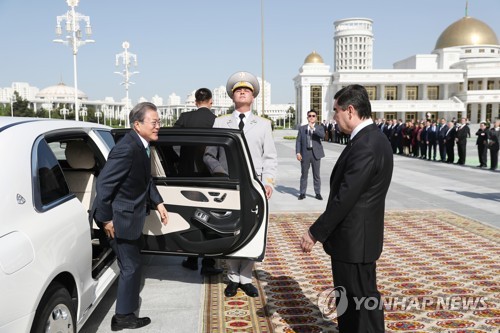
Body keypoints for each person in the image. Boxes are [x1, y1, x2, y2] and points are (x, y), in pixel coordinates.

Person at [300, 84, 393, 332]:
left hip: (355, 241)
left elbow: (345, 198)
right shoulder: (371, 138)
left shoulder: (366, 145)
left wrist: (315, 232)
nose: (334, 117)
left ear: (350, 110)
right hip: (358, 240)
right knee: (356, 305)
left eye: (336, 111)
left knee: (359, 307)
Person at [91, 102, 169, 331]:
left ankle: (124, 312)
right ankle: (122, 317)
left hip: (127, 215)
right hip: (118, 218)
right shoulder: (126, 148)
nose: (158, 127)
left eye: (159, 122)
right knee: (131, 266)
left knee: (132, 263)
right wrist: (106, 219)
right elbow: (104, 185)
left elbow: (146, 180)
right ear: (137, 124)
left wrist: (159, 202)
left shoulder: (141, 144)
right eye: (154, 122)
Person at [204, 71, 277, 298]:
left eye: (246, 89)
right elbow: (209, 155)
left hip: (254, 187)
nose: (242, 92)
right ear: (232, 96)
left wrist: (268, 183)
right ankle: (232, 277)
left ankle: (245, 277)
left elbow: (270, 157)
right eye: (238, 90)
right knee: (231, 230)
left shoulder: (263, 124)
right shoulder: (220, 122)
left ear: (253, 96)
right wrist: (220, 174)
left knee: (253, 230)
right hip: (227, 187)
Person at [173, 88, 223, 276]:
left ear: (195, 102)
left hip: (186, 176)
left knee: (190, 215)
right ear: (210, 101)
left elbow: (168, 142)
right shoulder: (216, 120)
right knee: (210, 218)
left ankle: (192, 258)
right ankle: (208, 263)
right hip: (210, 175)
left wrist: (177, 163)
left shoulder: (184, 118)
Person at [296, 109, 325, 200]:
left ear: (316, 118)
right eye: (310, 116)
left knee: (316, 175)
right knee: (304, 174)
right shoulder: (302, 128)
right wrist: (298, 152)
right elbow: (298, 141)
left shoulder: (319, 127)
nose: (311, 117)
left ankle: (317, 193)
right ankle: (302, 193)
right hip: (305, 153)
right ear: (307, 117)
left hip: (316, 154)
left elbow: (322, 136)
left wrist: (313, 129)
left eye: (313, 116)